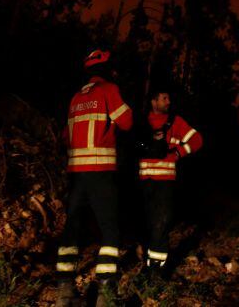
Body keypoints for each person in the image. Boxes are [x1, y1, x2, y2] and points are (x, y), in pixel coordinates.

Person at [55, 49, 133, 306]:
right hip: (100, 173)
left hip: (77, 175)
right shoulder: (109, 89)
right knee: (109, 229)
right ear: (109, 70)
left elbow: (66, 136)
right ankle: (105, 293)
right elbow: (127, 122)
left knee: (72, 229)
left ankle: (64, 290)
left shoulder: (76, 98)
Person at [137, 87, 203, 270]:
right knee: (148, 221)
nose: (168, 102)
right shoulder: (142, 122)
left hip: (165, 181)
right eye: (164, 98)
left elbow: (197, 140)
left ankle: (157, 268)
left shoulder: (176, 122)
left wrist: (178, 153)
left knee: (164, 220)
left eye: (169, 98)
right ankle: (148, 261)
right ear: (153, 101)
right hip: (145, 181)